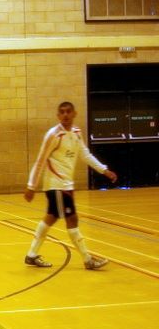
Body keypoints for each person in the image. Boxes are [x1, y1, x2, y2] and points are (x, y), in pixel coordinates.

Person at [24, 101, 117, 270]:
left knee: (51, 217)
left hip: (67, 185)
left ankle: (31, 254)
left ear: (74, 113)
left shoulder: (76, 133)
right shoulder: (53, 135)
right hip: (56, 185)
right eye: (62, 112)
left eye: (68, 111)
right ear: (58, 116)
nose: (65, 115)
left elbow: (85, 155)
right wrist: (31, 186)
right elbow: (40, 160)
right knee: (72, 218)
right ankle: (88, 259)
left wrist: (104, 170)